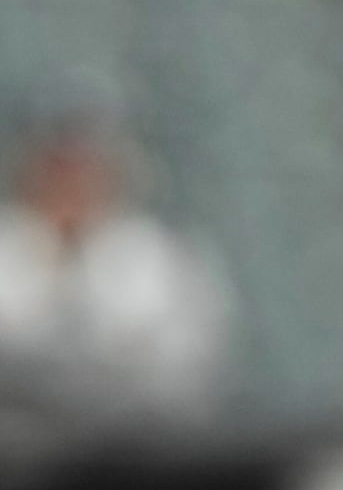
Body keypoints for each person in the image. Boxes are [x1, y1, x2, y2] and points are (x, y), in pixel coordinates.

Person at [0, 105, 229, 430]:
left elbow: (189, 362)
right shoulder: (8, 248)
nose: (69, 186)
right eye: (56, 170)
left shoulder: (155, 258)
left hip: (134, 447)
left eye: (81, 171)